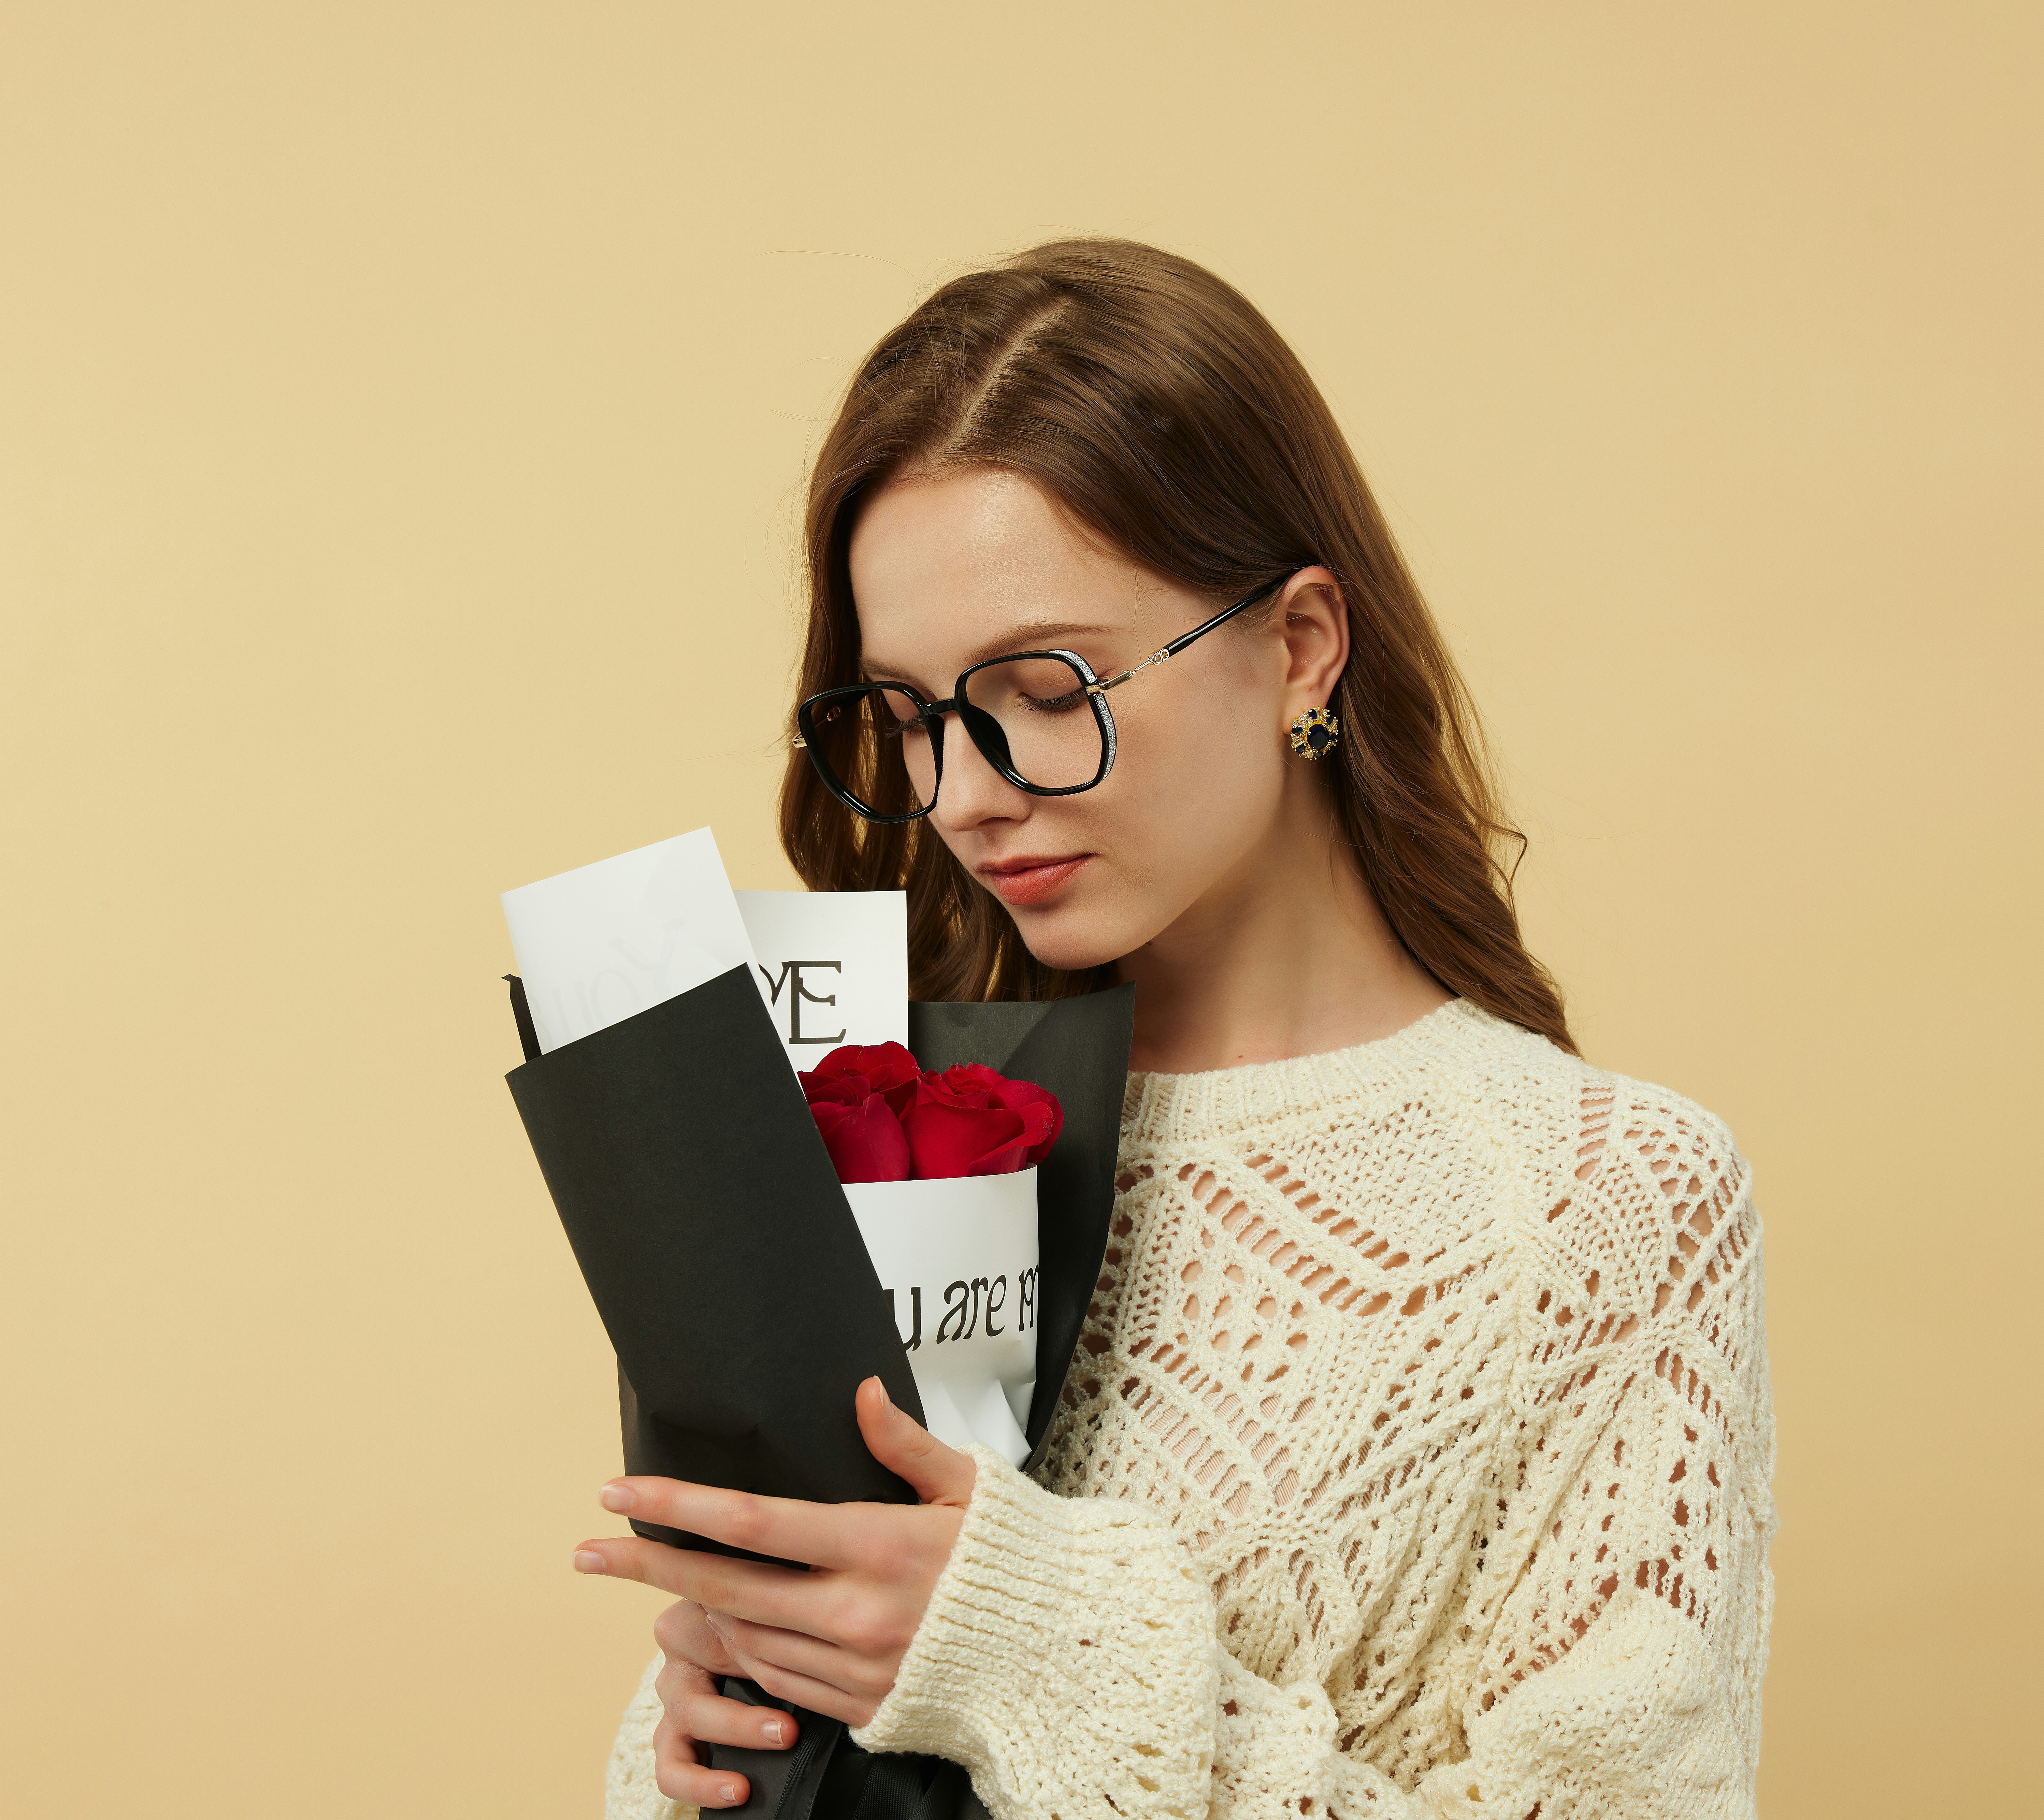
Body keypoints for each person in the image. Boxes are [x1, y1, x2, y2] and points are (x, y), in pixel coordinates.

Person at [574, 239, 1778, 1818]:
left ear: (1298, 646)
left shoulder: (1599, 1200)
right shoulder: (915, 1118)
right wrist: (704, 1735)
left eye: (1044, 682)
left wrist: (1035, 1655)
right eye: (912, 715)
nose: (965, 791)